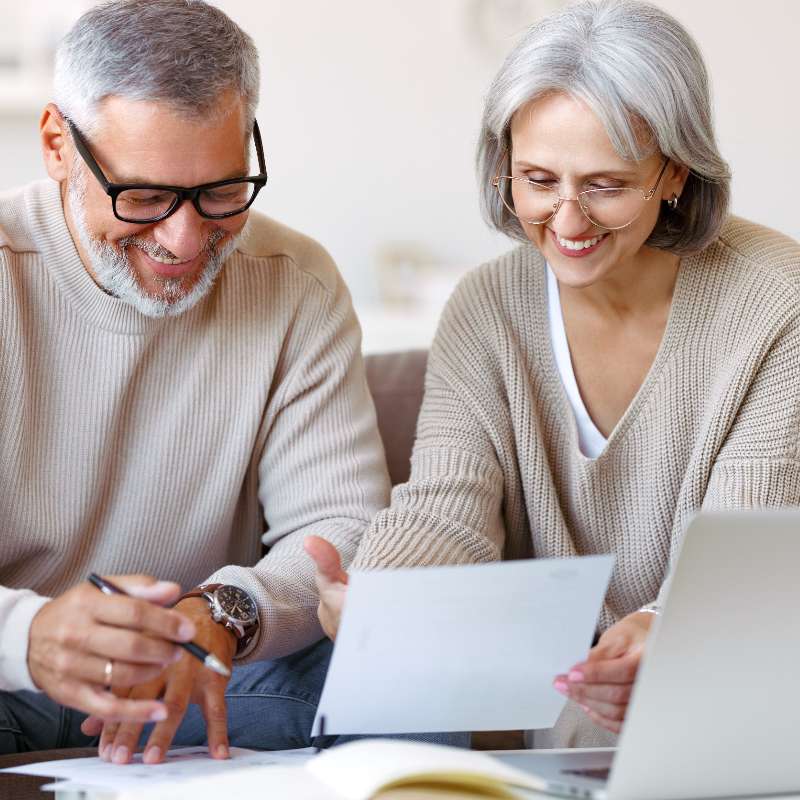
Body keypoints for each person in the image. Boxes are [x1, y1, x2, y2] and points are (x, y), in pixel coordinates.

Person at [307, 0, 800, 748]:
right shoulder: (485, 308)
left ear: (673, 171)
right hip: (570, 697)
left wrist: (661, 629)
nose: (567, 223)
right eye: (538, 180)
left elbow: (743, 551)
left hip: (738, 677)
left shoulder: (776, 302)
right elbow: (447, 507)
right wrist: (383, 598)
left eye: (605, 184)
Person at [0, 0, 391, 761]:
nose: (183, 241)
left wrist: (226, 611)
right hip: (9, 677)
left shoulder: (295, 283)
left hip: (209, 670)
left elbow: (340, 529)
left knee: (397, 678)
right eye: (142, 197)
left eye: (220, 192)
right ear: (56, 144)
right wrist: (31, 636)